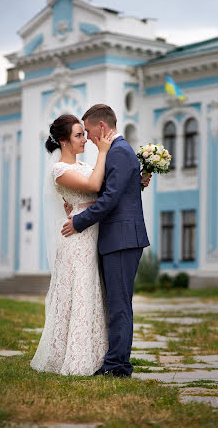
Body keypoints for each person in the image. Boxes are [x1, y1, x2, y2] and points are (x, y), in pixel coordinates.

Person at [61, 104, 150, 378]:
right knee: (117, 303)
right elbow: (113, 192)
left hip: (122, 239)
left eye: (87, 131)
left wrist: (79, 221)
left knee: (120, 304)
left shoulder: (119, 152)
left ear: (102, 127)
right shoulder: (117, 152)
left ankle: (117, 366)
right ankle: (115, 361)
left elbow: (110, 199)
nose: (86, 137)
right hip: (118, 238)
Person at [30, 114, 116, 376]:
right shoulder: (59, 170)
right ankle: (74, 358)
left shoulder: (82, 164)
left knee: (91, 291)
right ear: (64, 140)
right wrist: (103, 151)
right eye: (79, 135)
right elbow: (93, 185)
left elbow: (102, 189)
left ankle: (97, 353)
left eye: (83, 134)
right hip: (76, 238)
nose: (84, 140)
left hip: (92, 233)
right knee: (79, 292)